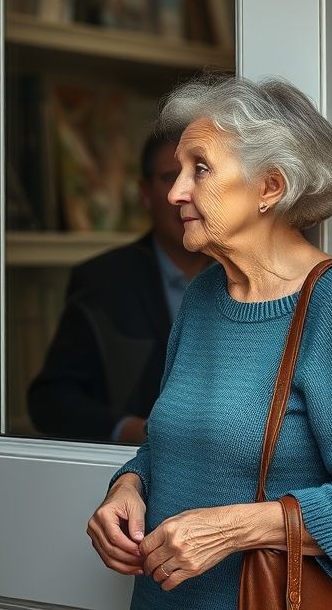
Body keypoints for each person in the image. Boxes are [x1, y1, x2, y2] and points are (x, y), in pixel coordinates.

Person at [86, 76, 332, 609]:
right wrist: (127, 486)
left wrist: (234, 529)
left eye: (200, 168)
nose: (175, 192)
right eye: (177, 171)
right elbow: (171, 445)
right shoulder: (204, 296)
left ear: (270, 186)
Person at [26, 135, 209, 443]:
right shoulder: (104, 280)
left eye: (200, 174)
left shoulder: (244, 274)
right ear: (145, 193)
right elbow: (51, 399)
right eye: (170, 177)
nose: (185, 193)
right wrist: (128, 429)